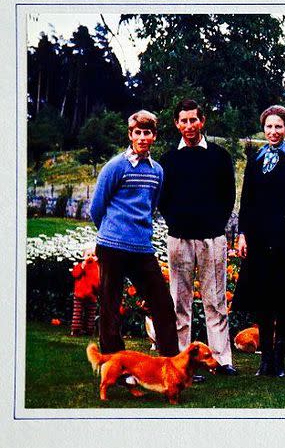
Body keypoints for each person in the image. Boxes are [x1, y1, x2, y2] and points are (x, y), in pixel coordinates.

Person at [158, 99, 237, 380]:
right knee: (180, 303)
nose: (189, 126)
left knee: (215, 301)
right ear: (177, 124)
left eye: (194, 120)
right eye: (184, 121)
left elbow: (228, 195)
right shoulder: (167, 160)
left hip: (212, 239)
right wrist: (176, 223)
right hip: (179, 239)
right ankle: (183, 361)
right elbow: (162, 199)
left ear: (202, 121)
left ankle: (221, 359)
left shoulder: (219, 156)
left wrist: (216, 224)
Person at [90, 110, 179, 357]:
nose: (142, 137)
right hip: (112, 247)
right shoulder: (116, 166)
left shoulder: (157, 171)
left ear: (154, 136)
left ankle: (171, 362)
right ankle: (114, 363)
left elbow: (150, 207)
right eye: (137, 133)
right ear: (130, 135)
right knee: (110, 305)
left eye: (147, 133)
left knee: (162, 303)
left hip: (142, 248)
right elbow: (96, 207)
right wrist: (111, 233)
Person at [233, 105, 285, 378]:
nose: (273, 131)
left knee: (284, 299)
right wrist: (242, 233)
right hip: (259, 239)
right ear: (263, 128)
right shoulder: (256, 160)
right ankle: (265, 358)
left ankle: (279, 358)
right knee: (263, 299)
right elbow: (247, 201)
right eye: (269, 126)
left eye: (278, 126)